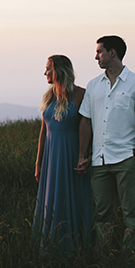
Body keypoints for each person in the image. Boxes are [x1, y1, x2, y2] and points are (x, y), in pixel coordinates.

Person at [76, 35, 135, 255]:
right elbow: (86, 121)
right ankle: (104, 261)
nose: (96, 56)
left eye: (99, 51)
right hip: (100, 162)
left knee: (132, 215)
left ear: (113, 53)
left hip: (125, 160)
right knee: (101, 215)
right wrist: (83, 155)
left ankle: (129, 264)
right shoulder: (93, 85)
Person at [33, 54, 93, 253]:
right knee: (52, 201)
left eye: (48, 68)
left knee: (73, 199)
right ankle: (52, 247)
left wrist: (86, 155)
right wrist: (38, 163)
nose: (45, 73)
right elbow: (44, 132)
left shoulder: (81, 94)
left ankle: (78, 248)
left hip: (72, 154)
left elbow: (90, 126)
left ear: (59, 70)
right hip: (51, 156)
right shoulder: (49, 96)